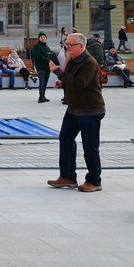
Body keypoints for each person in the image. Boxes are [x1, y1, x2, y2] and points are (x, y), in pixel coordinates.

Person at [47, 32, 106, 193]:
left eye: (70, 45)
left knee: (90, 146)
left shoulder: (89, 62)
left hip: (90, 110)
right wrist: (62, 82)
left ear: (81, 46)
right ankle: (67, 176)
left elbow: (80, 84)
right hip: (74, 109)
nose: (67, 47)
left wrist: (58, 72)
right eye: (66, 44)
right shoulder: (73, 60)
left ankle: (94, 181)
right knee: (65, 139)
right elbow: (71, 81)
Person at [31, 32, 55, 103]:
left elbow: (50, 55)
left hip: (47, 67)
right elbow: (38, 57)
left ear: (46, 38)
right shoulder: (36, 47)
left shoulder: (47, 47)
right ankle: (40, 97)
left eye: (44, 37)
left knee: (45, 82)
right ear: (39, 38)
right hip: (41, 67)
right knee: (42, 82)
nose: (43, 38)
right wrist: (48, 61)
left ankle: (43, 95)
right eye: (41, 37)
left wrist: (53, 61)